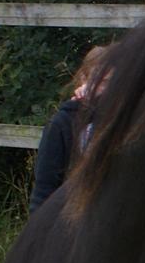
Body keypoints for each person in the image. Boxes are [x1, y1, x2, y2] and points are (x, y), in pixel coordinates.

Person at [29, 44, 111, 212]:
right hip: (69, 217)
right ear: (83, 79)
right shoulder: (61, 124)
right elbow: (43, 191)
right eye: (101, 82)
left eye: (113, 83)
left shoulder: (126, 123)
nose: (107, 91)